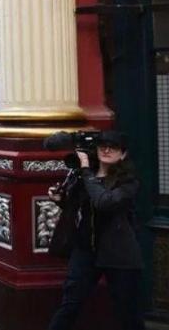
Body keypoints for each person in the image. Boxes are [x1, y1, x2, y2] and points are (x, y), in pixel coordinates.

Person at [47, 131, 144, 330]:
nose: (106, 150)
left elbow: (104, 203)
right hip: (86, 251)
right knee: (70, 305)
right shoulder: (84, 175)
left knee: (128, 313)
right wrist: (61, 200)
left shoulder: (128, 181)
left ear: (123, 154)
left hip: (119, 253)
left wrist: (86, 172)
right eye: (102, 146)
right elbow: (80, 209)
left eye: (113, 147)